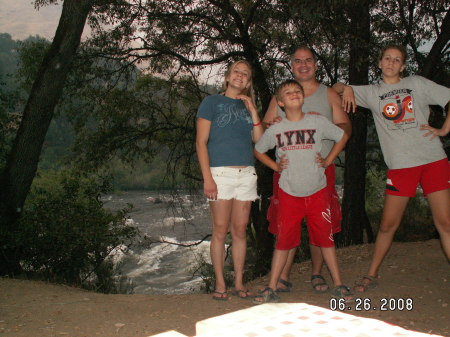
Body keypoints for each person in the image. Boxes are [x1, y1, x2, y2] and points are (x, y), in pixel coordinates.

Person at [333, 44, 450, 292]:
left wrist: (444, 129)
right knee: (387, 225)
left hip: (432, 160)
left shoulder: (417, 83)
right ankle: (372, 273)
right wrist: (349, 89)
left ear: (403, 66)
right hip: (401, 166)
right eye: (387, 58)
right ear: (379, 62)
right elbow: (334, 89)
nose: (391, 63)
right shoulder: (373, 93)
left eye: (397, 60)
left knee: (445, 223)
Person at [253, 80, 352, 303]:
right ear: (280, 102)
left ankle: (338, 283)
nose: (294, 94)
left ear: (303, 97)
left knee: (325, 239)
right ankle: (271, 287)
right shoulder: (277, 128)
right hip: (289, 193)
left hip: (317, 191)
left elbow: (342, 136)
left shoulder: (317, 121)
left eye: (297, 91)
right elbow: (259, 150)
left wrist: (328, 160)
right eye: (288, 92)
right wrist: (275, 166)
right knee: (283, 242)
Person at [196, 60, 264, 300]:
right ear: (228, 76)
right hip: (220, 174)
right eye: (237, 71)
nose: (240, 75)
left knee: (240, 231)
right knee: (220, 231)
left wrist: (254, 111)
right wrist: (208, 178)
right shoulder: (211, 102)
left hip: (246, 175)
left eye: (245, 74)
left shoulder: (248, 106)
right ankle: (220, 283)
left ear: (248, 82)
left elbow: (260, 141)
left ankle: (239, 282)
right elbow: (201, 142)